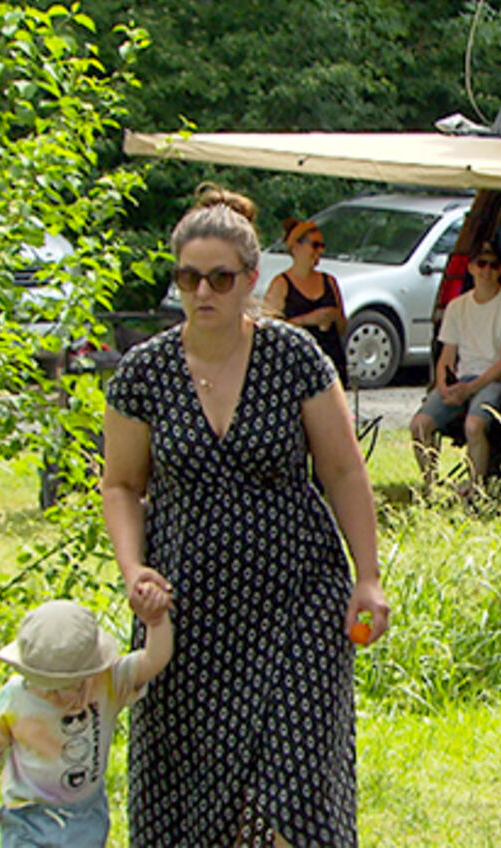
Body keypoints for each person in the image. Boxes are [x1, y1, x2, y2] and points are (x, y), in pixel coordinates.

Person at [101, 184, 390, 847]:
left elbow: (343, 470)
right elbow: (120, 483)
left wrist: (367, 576)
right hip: (185, 614)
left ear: (250, 279)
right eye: (188, 278)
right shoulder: (143, 375)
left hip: (297, 601)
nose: (203, 293)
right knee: (190, 793)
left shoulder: (293, 359)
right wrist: (131, 568)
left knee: (290, 788)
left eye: (220, 278)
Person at [0, 597, 174, 846]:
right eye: (46, 686)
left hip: (84, 816)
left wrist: (156, 621)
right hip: (26, 814)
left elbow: (154, 659)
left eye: (70, 686)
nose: (57, 695)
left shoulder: (107, 683)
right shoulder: (15, 697)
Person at [409, 239, 501, 496]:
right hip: (461, 380)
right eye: (481, 263)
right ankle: (432, 489)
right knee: (419, 425)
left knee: (474, 426)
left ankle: (475, 490)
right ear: (470, 267)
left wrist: (470, 388)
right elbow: (447, 355)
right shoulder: (457, 306)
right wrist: (443, 386)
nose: (486, 271)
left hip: (494, 381)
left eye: (493, 265)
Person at [263, 217, 348, 386]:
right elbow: (270, 331)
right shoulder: (281, 284)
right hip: (296, 366)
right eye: (314, 245)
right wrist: (307, 320)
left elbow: (342, 327)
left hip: (330, 363)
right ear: (296, 247)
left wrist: (333, 316)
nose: (320, 251)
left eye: (322, 246)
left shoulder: (329, 281)